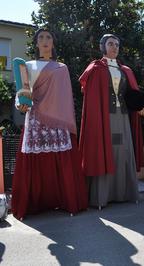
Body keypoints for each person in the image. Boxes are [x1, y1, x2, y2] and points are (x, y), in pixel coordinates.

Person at [12, 29, 88, 220]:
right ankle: (32, 205)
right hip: (35, 118)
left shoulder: (61, 67)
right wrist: (19, 104)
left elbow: (65, 99)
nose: (45, 41)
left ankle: (66, 201)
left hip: (58, 120)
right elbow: (22, 91)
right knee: (35, 163)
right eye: (41, 38)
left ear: (53, 44)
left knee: (59, 160)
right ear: (36, 44)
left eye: (49, 38)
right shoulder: (27, 65)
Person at [79, 34, 144, 209]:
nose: (114, 47)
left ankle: (125, 193)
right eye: (110, 44)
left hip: (124, 116)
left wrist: (141, 106)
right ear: (103, 46)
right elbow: (90, 96)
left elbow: (133, 93)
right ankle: (102, 197)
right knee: (106, 150)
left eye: (117, 44)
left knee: (124, 150)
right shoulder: (95, 68)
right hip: (104, 117)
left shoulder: (126, 70)